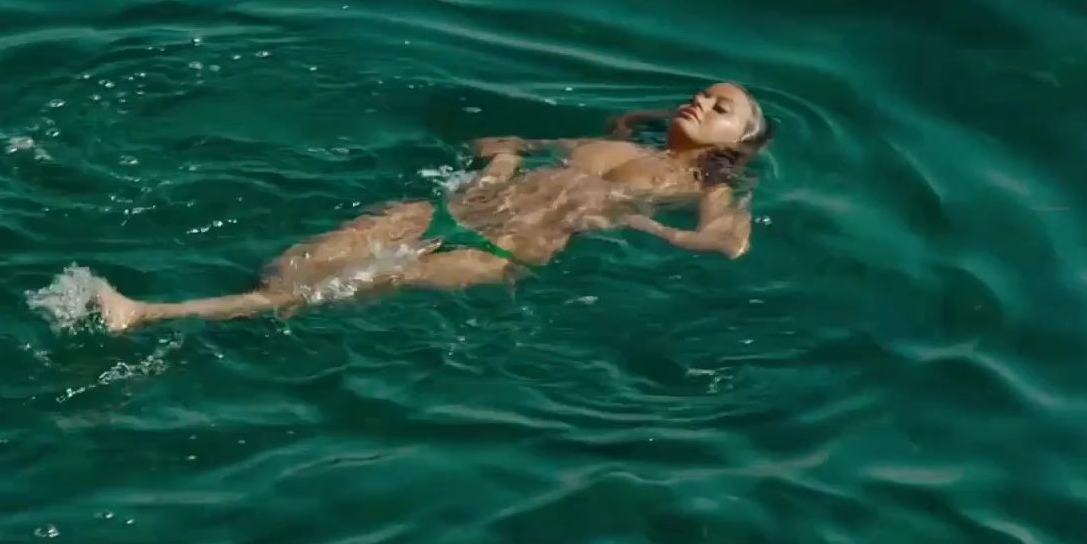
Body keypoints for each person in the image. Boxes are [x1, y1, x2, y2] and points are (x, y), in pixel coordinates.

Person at [93, 82, 773, 331]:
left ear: (735, 143)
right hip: (446, 211)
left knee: (329, 288)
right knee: (292, 266)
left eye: (720, 108)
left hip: (501, 249)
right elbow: (498, 145)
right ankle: (189, 312)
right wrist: (502, 158)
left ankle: (148, 314)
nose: (701, 102)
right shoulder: (603, 143)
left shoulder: (704, 187)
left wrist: (639, 219)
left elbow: (728, 243)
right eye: (702, 94)